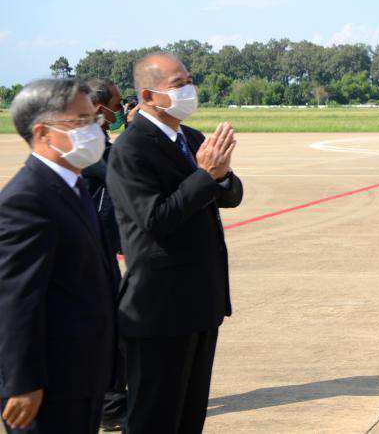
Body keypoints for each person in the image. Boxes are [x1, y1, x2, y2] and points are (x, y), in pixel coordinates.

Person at [106, 52, 243, 434]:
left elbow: (229, 196)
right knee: (155, 419)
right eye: (178, 84)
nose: (189, 89)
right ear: (149, 96)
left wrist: (222, 175)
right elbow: (155, 220)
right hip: (159, 310)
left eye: (188, 79)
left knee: (189, 417)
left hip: (200, 303)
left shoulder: (191, 138)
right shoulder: (131, 149)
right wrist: (204, 175)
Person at [0, 79, 118, 433]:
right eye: (79, 122)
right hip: (49, 382)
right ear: (43, 133)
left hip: (82, 371)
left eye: (93, 120)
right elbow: (16, 301)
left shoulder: (74, 185)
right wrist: (21, 383)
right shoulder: (27, 200)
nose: (93, 130)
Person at [82, 78, 128, 431]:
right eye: (116, 104)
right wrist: (137, 134)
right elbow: (120, 170)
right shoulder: (85, 143)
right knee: (111, 328)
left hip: (100, 249)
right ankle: (111, 406)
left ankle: (110, 401)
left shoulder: (95, 139)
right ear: (100, 110)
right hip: (90, 254)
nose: (119, 110)